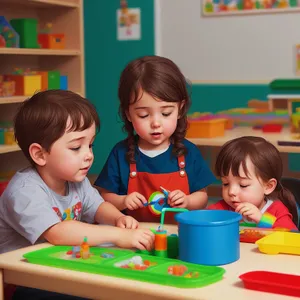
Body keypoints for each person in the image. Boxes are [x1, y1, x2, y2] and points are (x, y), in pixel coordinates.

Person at [0, 90, 154, 255]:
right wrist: (118, 235)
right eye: (76, 147)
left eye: (90, 145)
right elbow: (57, 233)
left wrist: (117, 218)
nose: (88, 155)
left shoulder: (75, 180)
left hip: (54, 262)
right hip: (17, 271)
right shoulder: (24, 192)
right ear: (39, 154)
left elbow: (98, 207)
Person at [95, 56, 215, 223]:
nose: (156, 123)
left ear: (180, 109)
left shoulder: (189, 152)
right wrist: (122, 201)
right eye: (143, 115)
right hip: (135, 236)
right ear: (128, 114)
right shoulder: (120, 153)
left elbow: (202, 196)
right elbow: (103, 198)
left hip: (179, 235)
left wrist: (187, 201)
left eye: (166, 113)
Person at [208, 136, 298, 230]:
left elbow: (292, 235)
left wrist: (262, 220)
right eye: (225, 183)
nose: (231, 192)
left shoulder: (277, 210)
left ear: (268, 186)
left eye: (243, 185)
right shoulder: (221, 209)